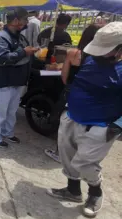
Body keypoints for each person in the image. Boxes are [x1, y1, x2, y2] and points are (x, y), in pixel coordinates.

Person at [46, 22, 122, 218]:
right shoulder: (91, 59)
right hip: (72, 116)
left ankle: (95, 192)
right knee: (67, 156)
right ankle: (73, 191)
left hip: (100, 126)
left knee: (86, 164)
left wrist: (117, 126)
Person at [44, 24, 99, 163]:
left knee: (66, 126)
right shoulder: (106, 57)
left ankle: (59, 154)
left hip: (72, 92)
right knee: (84, 127)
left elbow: (64, 76)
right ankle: (79, 155)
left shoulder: (74, 53)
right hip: (93, 96)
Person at [0, 7, 39, 147]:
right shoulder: (1, 37)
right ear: (15, 20)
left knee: (11, 111)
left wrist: (31, 52)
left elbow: (24, 52)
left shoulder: (20, 37)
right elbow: (1, 58)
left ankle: (7, 133)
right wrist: (24, 52)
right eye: (24, 19)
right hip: (3, 82)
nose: (26, 22)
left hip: (17, 81)